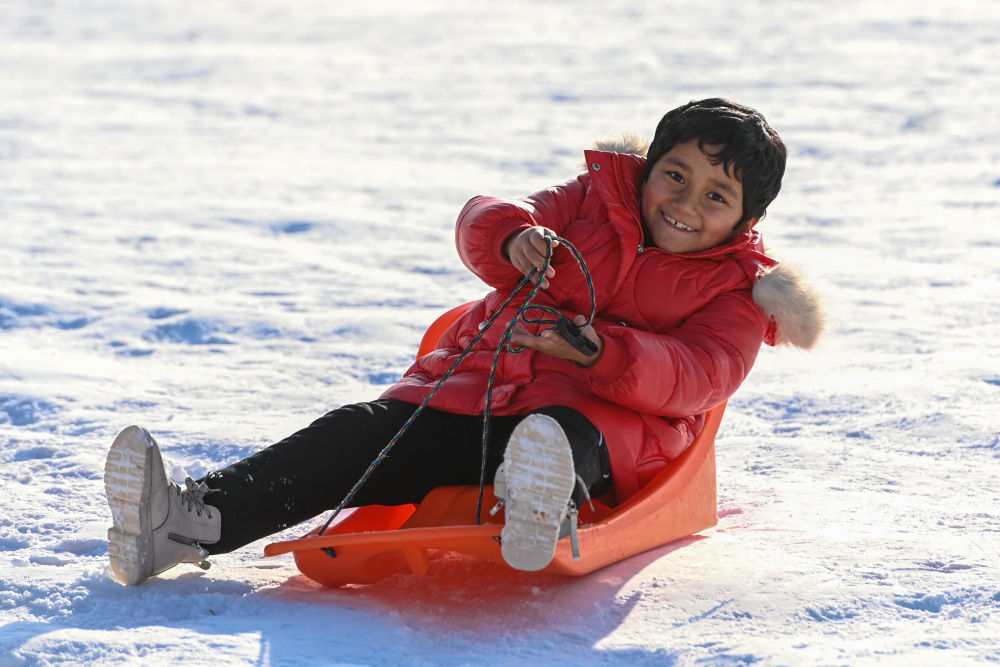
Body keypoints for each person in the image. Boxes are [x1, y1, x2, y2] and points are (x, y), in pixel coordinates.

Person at [104, 98, 825, 585]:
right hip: (473, 395)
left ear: (744, 218)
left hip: (609, 426)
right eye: (676, 175)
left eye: (715, 196)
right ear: (648, 168)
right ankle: (189, 519)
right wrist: (513, 237)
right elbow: (483, 218)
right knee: (357, 433)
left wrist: (603, 355)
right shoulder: (589, 202)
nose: (685, 203)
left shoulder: (737, 290)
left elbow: (701, 374)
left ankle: (540, 500)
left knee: (557, 433)